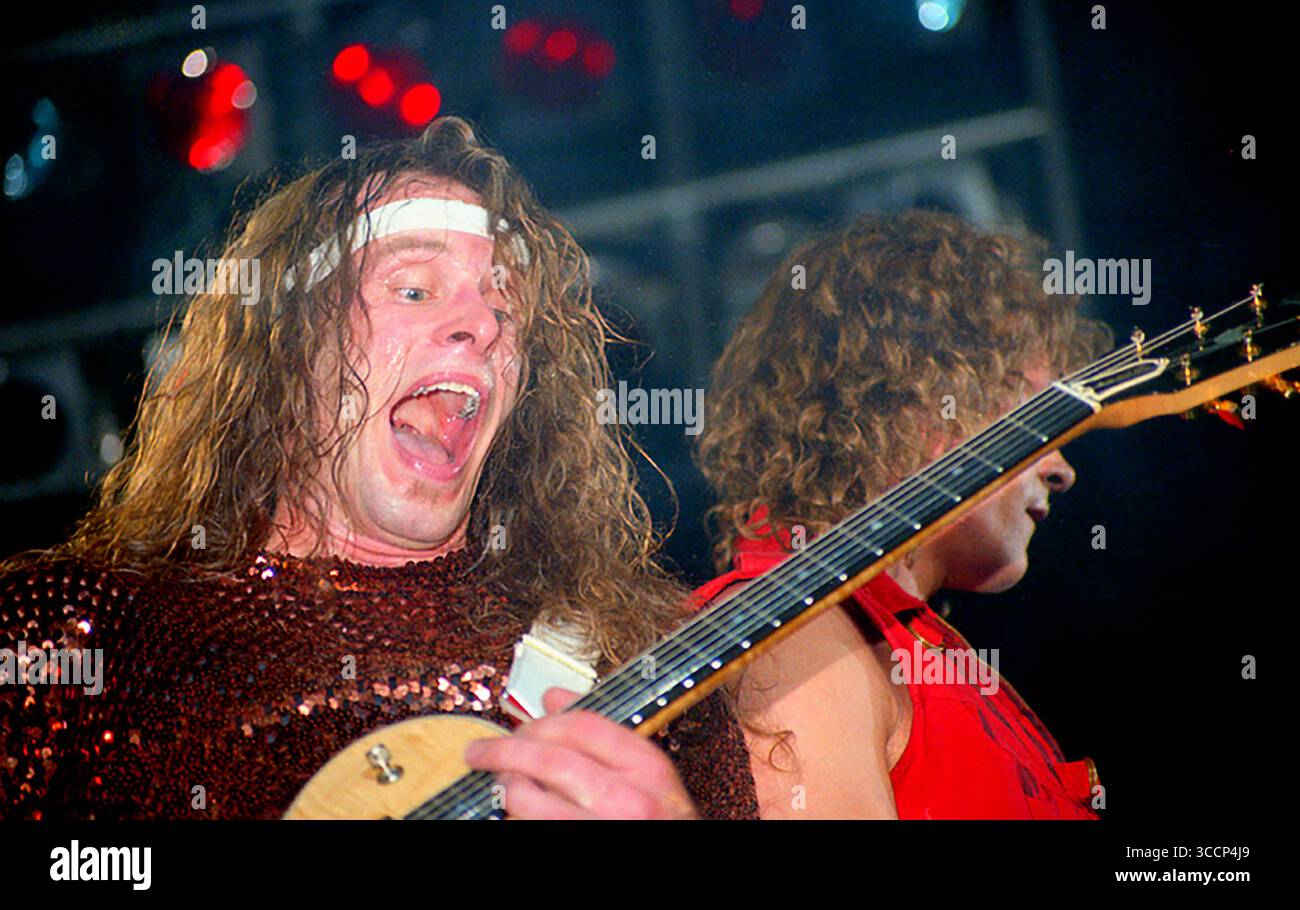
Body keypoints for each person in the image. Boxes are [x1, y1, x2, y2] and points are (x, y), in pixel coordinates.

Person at [0, 117, 758, 820]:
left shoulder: (641, 668)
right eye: (415, 288)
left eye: (507, 306)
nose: (486, 325)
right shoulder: (77, 629)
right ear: (288, 349)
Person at [693, 210, 1113, 819]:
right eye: (1036, 417)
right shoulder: (795, 636)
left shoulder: (904, 645)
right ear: (923, 409)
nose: (1060, 468)